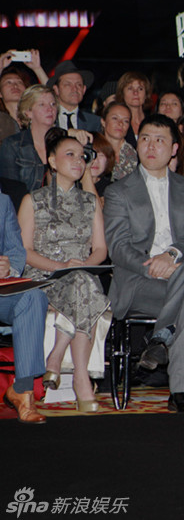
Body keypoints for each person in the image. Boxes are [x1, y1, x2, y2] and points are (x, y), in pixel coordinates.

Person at [104, 114, 184, 413]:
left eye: (160, 140)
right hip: (139, 282)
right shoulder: (118, 191)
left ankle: (161, 336)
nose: (151, 146)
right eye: (145, 139)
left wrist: (173, 255)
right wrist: (153, 265)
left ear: (175, 149)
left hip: (179, 273)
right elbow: (118, 247)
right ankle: (182, 392)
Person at [19, 129, 109, 413]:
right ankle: (81, 380)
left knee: (82, 282)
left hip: (79, 275)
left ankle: (59, 360)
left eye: (82, 156)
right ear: (52, 161)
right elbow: (24, 253)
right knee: (84, 286)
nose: (78, 161)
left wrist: (80, 266)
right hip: (43, 276)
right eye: (69, 155)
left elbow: (100, 250)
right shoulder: (33, 200)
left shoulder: (91, 202)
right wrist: (61, 267)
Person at [0, 190, 49, 424]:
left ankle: (23, 390)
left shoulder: (2, 201)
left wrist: (8, 267)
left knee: (33, 297)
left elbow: (16, 251)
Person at [0, 85, 58, 191]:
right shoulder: (13, 144)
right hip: (24, 205)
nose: (50, 109)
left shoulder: (64, 142)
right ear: (28, 112)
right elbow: (11, 190)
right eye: (42, 105)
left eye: (53, 104)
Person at [47, 61, 102, 133]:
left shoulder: (95, 122)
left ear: (84, 89)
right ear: (56, 90)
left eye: (78, 85)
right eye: (68, 84)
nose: (74, 89)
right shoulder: (47, 118)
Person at [100, 102, 138, 181]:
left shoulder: (135, 154)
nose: (120, 123)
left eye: (125, 121)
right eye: (115, 118)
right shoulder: (95, 149)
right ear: (103, 122)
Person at [115, 71, 151, 146]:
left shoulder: (153, 121)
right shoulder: (117, 122)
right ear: (122, 93)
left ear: (146, 94)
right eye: (130, 88)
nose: (135, 93)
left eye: (140, 89)